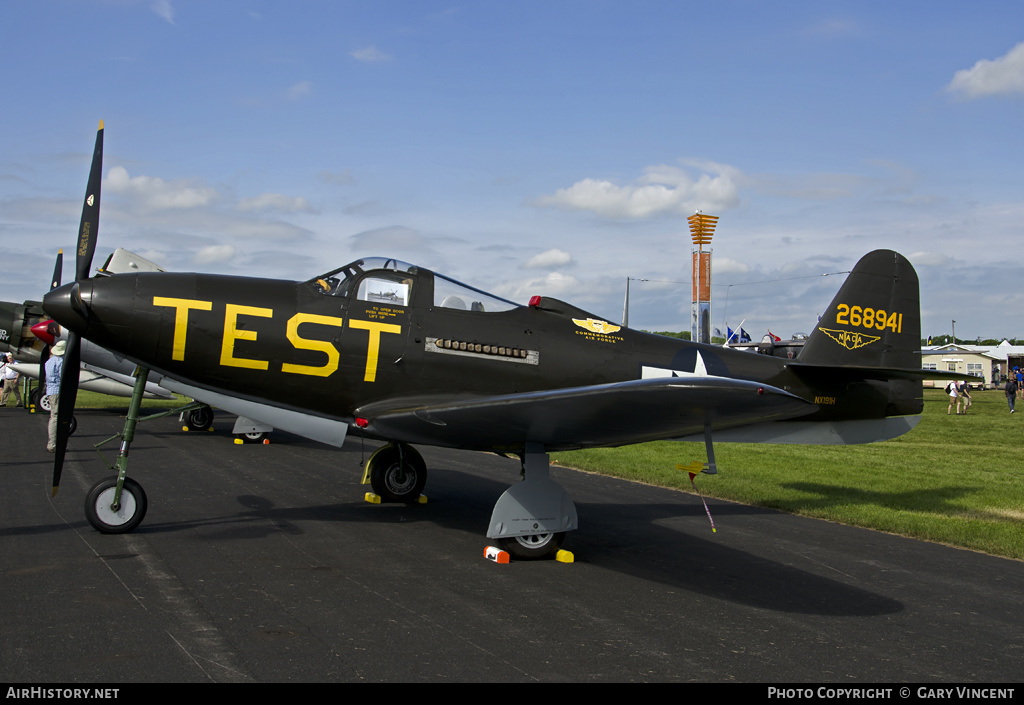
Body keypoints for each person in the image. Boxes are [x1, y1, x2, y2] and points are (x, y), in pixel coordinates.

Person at [45, 340, 66, 452]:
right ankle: (53, 444)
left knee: (53, 416)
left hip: (50, 390)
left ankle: (53, 443)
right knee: (56, 417)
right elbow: (63, 377)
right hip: (58, 391)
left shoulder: (49, 362)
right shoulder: (61, 362)